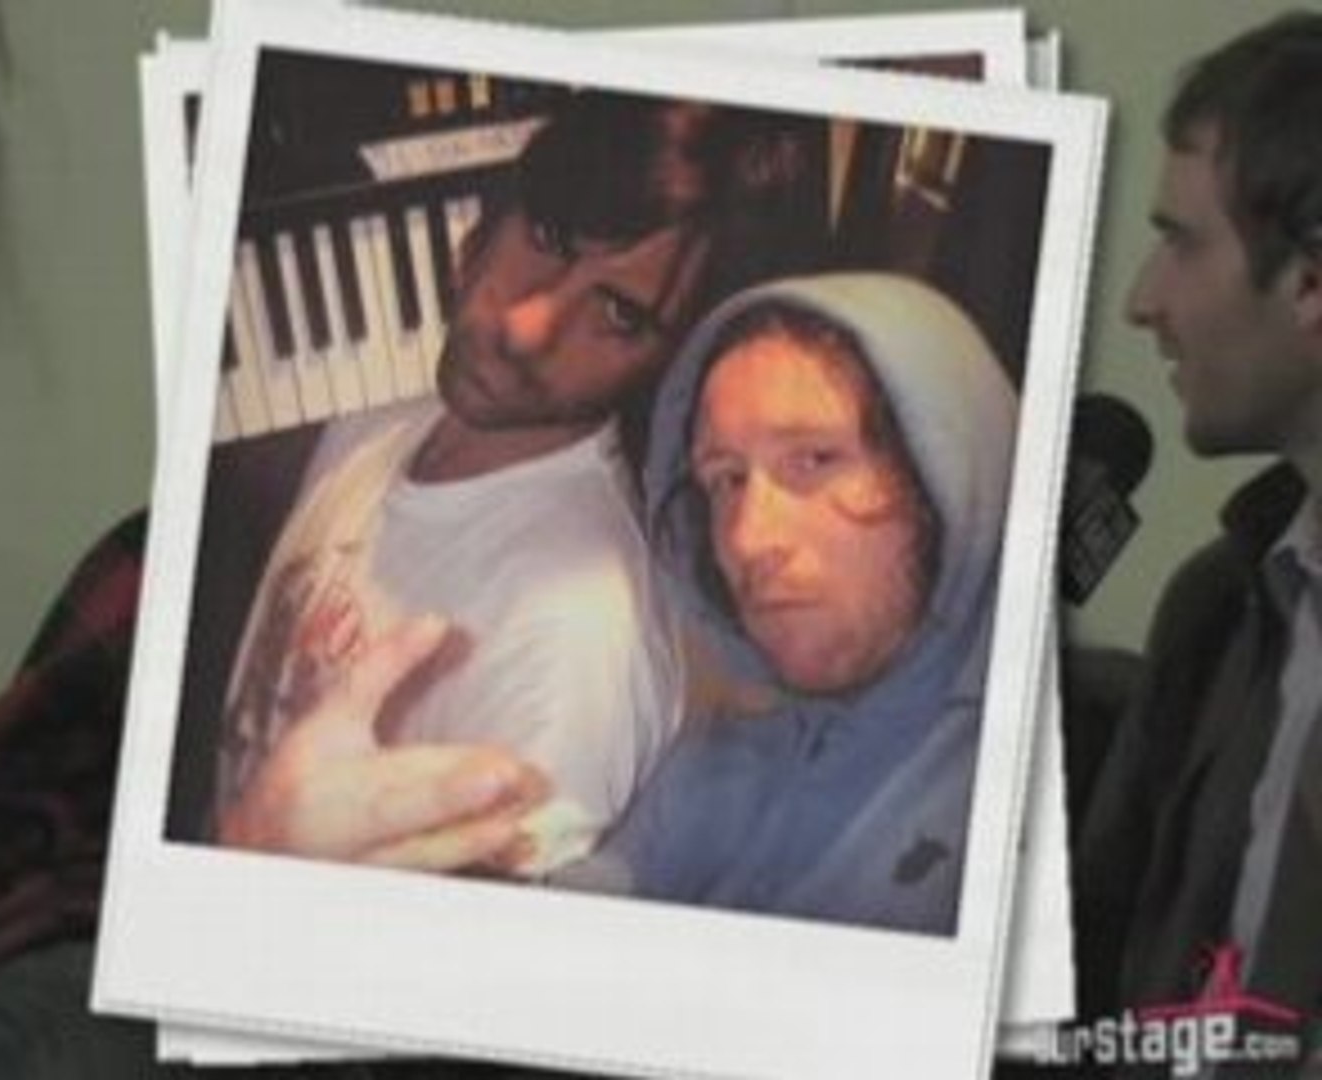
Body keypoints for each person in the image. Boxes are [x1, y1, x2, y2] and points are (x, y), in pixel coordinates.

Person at [214, 89, 826, 875]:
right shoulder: (372, 424)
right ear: (490, 220)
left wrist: (249, 862)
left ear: (669, 368)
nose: (526, 326)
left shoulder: (576, 655)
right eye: (547, 236)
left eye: (619, 313)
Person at [551, 271, 1018, 931]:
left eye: (814, 460)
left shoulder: (1015, 814)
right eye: (726, 480)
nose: (748, 538)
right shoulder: (721, 760)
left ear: (948, 467)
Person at [1075, 9, 1322, 1039]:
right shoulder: (1220, 611)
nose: (1142, 301)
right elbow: (1093, 1000)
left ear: (1310, 281)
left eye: (1180, 241)